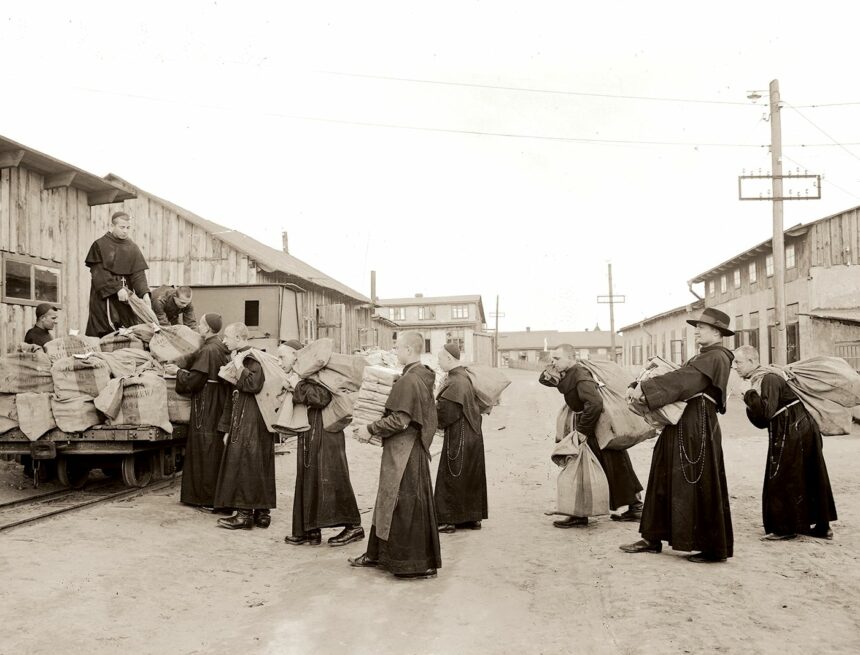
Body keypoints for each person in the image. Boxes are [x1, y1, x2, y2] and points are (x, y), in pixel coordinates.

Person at [621, 308, 735, 563]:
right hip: (684, 421)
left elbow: (684, 381)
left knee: (696, 480)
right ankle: (652, 537)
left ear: (717, 332)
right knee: (663, 471)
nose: (696, 331)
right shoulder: (705, 355)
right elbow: (679, 379)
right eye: (697, 327)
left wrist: (645, 387)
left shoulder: (717, 356)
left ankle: (711, 548)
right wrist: (641, 383)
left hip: (696, 425)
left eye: (702, 327)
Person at [349, 331, 441, 579]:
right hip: (412, 449)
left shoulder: (409, 381)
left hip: (404, 452)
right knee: (390, 502)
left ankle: (409, 563)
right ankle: (378, 555)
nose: (394, 352)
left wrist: (369, 428)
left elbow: (400, 420)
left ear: (409, 350)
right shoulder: (420, 375)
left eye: (397, 347)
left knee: (400, 505)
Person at [733, 345, 837, 541]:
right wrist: (749, 397)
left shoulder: (769, 378)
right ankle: (822, 527)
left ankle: (785, 528)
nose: (735, 367)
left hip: (793, 429)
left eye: (738, 362)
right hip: (798, 428)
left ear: (752, 362)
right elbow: (762, 421)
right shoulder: (763, 378)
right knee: (809, 474)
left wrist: (748, 394)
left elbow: (764, 414)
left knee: (783, 475)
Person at [539, 344, 644, 527]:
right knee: (615, 465)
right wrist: (551, 368)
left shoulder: (581, 376)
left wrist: (581, 432)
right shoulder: (568, 372)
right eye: (552, 359)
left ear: (571, 357)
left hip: (593, 429)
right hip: (593, 428)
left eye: (557, 358)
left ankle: (579, 514)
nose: (553, 362)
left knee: (582, 467)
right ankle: (635, 507)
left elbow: (595, 403)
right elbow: (545, 380)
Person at [283, 375, 364, 547]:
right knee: (310, 475)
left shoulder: (323, 374)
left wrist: (297, 385)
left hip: (327, 432)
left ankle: (353, 526)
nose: (282, 362)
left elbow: (321, 397)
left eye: (284, 357)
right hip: (314, 427)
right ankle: (311, 530)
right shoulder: (309, 374)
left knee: (333, 476)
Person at [213, 323, 277, 530]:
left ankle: (244, 515)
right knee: (258, 463)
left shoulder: (249, 358)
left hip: (250, 419)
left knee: (245, 462)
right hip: (254, 419)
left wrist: (238, 365)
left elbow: (252, 385)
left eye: (227, 337)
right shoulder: (248, 357)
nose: (224, 341)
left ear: (240, 338)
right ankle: (262, 512)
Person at [170, 313, 230, 512]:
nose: (198, 327)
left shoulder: (209, 349)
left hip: (207, 404)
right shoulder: (219, 347)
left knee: (205, 448)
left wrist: (177, 373)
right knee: (212, 448)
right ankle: (211, 497)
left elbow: (195, 380)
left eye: (201, 324)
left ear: (206, 328)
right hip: (217, 402)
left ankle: (205, 498)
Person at [434, 344, 488, 534]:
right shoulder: (463, 377)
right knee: (470, 476)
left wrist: (434, 420)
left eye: (440, 359)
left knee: (452, 475)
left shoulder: (456, 382)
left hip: (459, 435)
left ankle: (448, 520)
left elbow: (447, 412)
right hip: (472, 434)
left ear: (449, 359)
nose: (438, 363)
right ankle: (472, 518)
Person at [85, 211, 152, 337]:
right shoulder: (99, 244)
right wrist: (117, 289)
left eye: (128, 228)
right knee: (105, 330)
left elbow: (138, 274)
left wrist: (144, 294)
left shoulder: (132, 247)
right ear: (112, 226)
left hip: (126, 298)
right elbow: (99, 273)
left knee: (127, 330)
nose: (125, 231)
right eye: (122, 227)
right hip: (105, 297)